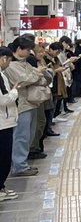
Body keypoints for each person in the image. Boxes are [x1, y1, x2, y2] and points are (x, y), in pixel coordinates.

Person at [6, 37, 48, 177]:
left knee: (29, 135)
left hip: (31, 103)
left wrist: (35, 76)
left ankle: (22, 162)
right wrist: (37, 73)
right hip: (21, 105)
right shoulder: (11, 65)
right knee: (21, 136)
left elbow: (40, 79)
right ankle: (19, 165)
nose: (30, 52)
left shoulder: (25, 63)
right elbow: (24, 80)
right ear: (19, 49)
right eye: (28, 49)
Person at [0, 46, 20, 202]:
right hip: (2, 122)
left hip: (5, 121)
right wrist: (15, 91)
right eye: (9, 61)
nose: (9, 64)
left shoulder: (2, 74)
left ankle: (1, 187)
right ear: (3, 58)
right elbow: (3, 99)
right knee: (4, 158)